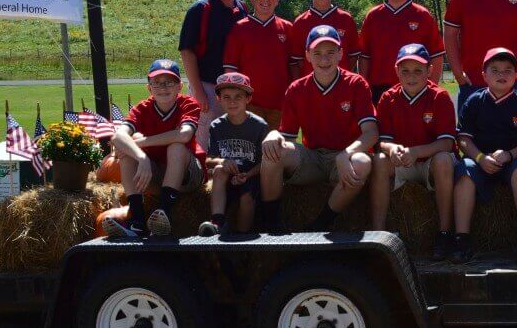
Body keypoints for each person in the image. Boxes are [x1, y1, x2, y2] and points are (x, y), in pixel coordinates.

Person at [258, 25, 379, 232]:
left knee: (362, 161)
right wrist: (272, 133)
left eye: (331, 52)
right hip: (312, 158)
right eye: (318, 53)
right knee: (272, 150)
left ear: (341, 53)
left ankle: (320, 225)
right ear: (307, 56)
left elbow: (371, 132)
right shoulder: (297, 89)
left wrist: (346, 154)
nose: (324, 60)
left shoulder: (356, 84)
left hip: (343, 159)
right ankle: (270, 224)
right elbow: (286, 136)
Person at [450, 48, 517, 263]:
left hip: (512, 160)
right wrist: (480, 158)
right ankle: (461, 238)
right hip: (479, 160)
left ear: (516, 75)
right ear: (484, 75)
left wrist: (509, 154)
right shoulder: (474, 101)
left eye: (508, 70)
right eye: (495, 70)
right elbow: (463, 138)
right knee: (464, 173)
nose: (502, 74)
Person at [370, 44, 459, 257]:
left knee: (444, 160)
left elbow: (446, 143)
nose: (411, 76)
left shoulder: (440, 96)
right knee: (380, 160)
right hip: (404, 161)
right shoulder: (388, 98)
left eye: (418, 70)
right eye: (405, 71)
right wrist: (394, 149)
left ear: (429, 71)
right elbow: (383, 140)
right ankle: (377, 234)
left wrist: (415, 152)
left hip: (430, 163)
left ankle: (445, 232)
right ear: (396, 71)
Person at [104, 59, 206, 238]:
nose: (163, 88)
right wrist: (141, 157)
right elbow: (117, 136)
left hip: (188, 176)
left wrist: (138, 143)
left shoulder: (188, 104)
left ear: (179, 86)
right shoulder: (142, 108)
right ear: (149, 88)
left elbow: (183, 135)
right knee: (127, 154)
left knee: (176, 147)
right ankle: (137, 221)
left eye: (169, 82)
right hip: (155, 176)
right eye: (157, 83)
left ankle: (164, 213)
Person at [179, 0, 247, 149]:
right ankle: (198, 176)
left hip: (235, 88)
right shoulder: (200, 9)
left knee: (230, 139)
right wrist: (198, 91)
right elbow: (187, 51)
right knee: (202, 141)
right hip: (207, 85)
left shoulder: (242, 8)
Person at [357, 0, 444, 103]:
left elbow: (436, 55)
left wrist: (432, 87)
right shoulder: (373, 16)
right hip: (379, 89)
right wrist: (364, 88)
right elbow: (364, 57)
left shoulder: (422, 15)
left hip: (416, 88)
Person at [198, 72, 267, 236]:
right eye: (226, 97)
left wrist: (247, 175)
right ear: (219, 99)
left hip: (250, 177)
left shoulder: (259, 126)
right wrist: (222, 160)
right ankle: (217, 222)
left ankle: (243, 235)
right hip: (227, 179)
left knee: (246, 198)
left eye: (238, 97)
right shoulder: (216, 126)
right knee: (219, 170)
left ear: (248, 99)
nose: (232, 102)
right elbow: (208, 159)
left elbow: (265, 163)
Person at [223, 0, 294, 127]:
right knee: (250, 147)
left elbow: (294, 66)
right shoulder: (239, 28)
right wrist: (236, 98)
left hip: (280, 103)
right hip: (249, 103)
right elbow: (231, 68)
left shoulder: (287, 28)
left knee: (277, 147)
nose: (266, 0)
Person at [288, 0, 360, 77]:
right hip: (311, 87)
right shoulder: (300, 22)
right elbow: (298, 60)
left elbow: (353, 55)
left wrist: (337, 75)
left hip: (341, 84)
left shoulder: (346, 19)